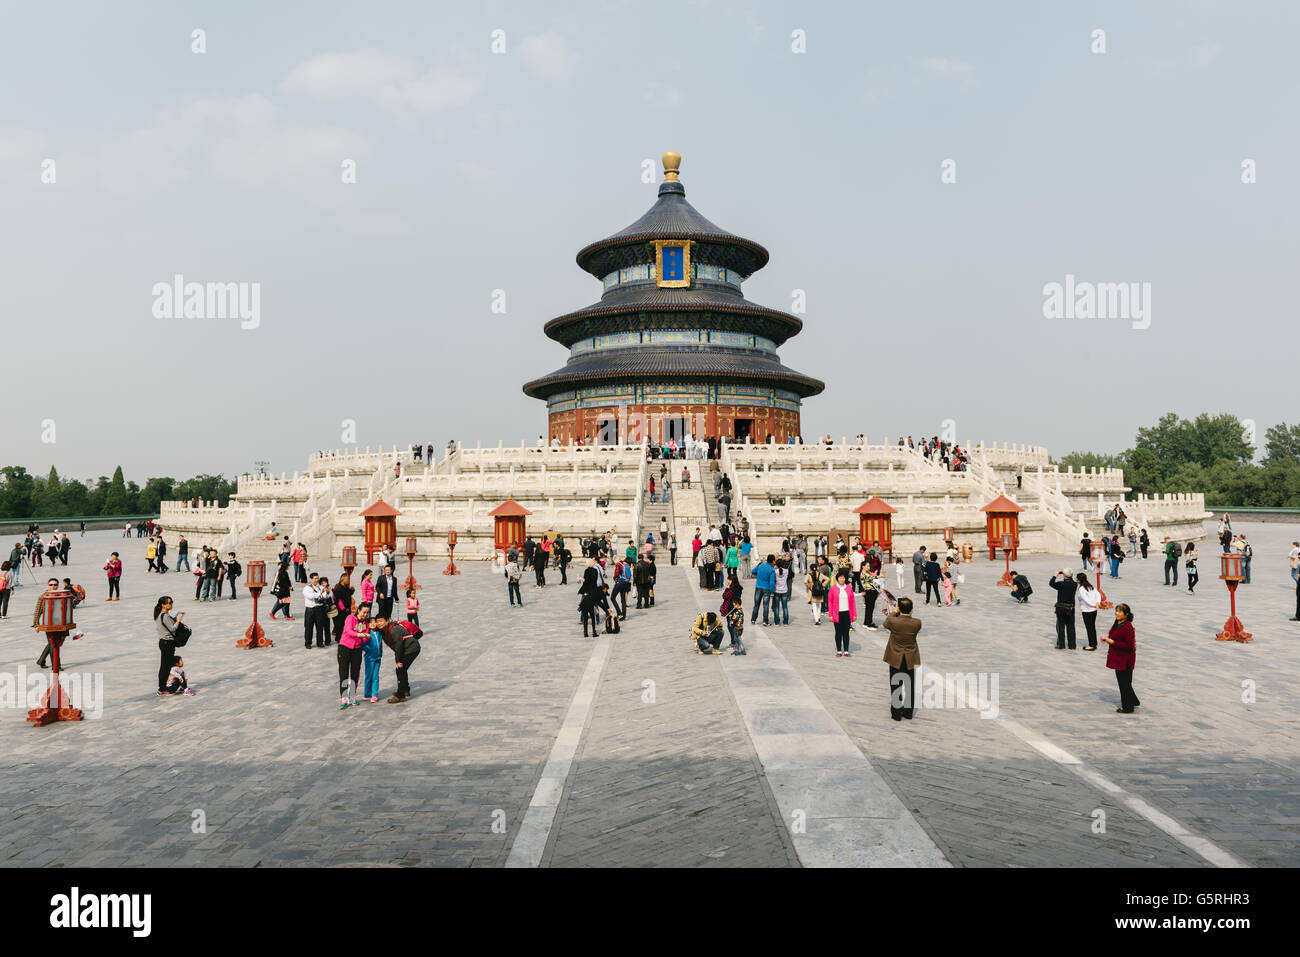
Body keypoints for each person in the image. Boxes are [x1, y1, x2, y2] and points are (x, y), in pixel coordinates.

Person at [883, 597, 920, 720]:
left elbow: (886, 622)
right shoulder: (917, 622)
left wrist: (894, 611)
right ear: (911, 610)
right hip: (910, 656)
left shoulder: (894, 621)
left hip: (895, 656)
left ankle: (896, 713)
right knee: (909, 685)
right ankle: (908, 713)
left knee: (896, 685)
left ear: (899, 608)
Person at [373, 614, 422, 703]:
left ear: (387, 621)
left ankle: (400, 695)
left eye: (381, 621)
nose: (379, 623)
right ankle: (405, 689)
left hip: (412, 648)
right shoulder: (384, 630)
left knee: (400, 669)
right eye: (377, 621)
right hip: (407, 649)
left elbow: (398, 646)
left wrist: (398, 661)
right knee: (402, 669)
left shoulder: (393, 630)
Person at [1100, 603, 1139, 713]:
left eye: (1119, 611)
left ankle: (1128, 708)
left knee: (1124, 684)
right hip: (1118, 657)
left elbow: (1129, 646)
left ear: (1126, 615)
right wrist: (1108, 639)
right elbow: (1114, 635)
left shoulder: (1128, 627)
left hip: (1125, 659)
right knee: (1125, 682)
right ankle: (1134, 701)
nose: (1116, 613)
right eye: (1116, 610)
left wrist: (1112, 642)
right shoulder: (1117, 622)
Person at [338, 602, 369, 708]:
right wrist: (358, 634)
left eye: (367, 613)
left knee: (355, 673)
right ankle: (343, 697)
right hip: (345, 647)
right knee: (344, 673)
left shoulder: (365, 622)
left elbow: (365, 635)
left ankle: (352, 695)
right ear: (358, 610)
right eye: (364, 612)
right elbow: (348, 631)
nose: (365, 614)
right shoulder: (350, 618)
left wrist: (366, 637)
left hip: (357, 649)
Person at [153, 595, 183, 695]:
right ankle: (162, 688)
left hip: (164, 642)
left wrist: (175, 619)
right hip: (167, 642)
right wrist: (178, 620)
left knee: (166, 665)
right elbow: (173, 629)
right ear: (163, 605)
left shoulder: (162, 614)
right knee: (165, 666)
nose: (171, 604)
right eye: (169, 603)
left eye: (171, 602)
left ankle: (164, 686)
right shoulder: (164, 615)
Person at [828, 571, 856, 657]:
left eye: (843, 578)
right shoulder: (833, 588)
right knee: (838, 632)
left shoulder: (849, 588)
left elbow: (852, 602)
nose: (842, 579)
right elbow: (830, 602)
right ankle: (839, 650)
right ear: (837, 578)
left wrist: (854, 614)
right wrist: (831, 615)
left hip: (847, 613)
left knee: (846, 632)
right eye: (840, 577)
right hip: (837, 613)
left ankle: (846, 650)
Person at [1049, 568, 1078, 650]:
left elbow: (1051, 583)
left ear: (1064, 575)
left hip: (1061, 607)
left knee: (1061, 626)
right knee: (1071, 627)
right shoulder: (1074, 584)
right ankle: (1072, 645)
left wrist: (1055, 575)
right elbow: (1070, 580)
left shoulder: (1060, 584)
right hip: (1071, 607)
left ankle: (1061, 644)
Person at [360, 605, 383, 702]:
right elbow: (362, 643)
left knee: (375, 677)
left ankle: (374, 695)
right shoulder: (367, 634)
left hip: (378, 658)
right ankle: (367, 693)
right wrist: (367, 649)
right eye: (371, 623)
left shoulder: (379, 633)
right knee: (368, 676)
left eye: (375, 623)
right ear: (368, 624)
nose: (373, 624)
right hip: (369, 658)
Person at [720, 573, 747, 654]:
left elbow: (724, 596)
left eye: (729, 580)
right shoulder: (738, 588)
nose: (728, 581)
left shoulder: (733, 589)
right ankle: (734, 643)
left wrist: (727, 589)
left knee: (731, 626)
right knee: (731, 626)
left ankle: (734, 643)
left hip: (731, 610)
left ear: (733, 581)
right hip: (733, 609)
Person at [1075, 573, 1100, 650]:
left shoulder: (1082, 589)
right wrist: (1097, 603)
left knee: (1089, 628)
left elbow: (1086, 599)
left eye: (1077, 579)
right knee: (1092, 627)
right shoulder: (1090, 586)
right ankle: (1094, 642)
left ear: (1079, 580)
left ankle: (1092, 645)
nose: (1076, 580)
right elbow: (1098, 594)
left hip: (1087, 611)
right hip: (1094, 610)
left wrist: (1094, 604)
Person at [578, 563, 602, 637]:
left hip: (587, 592)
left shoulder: (587, 571)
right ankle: (594, 631)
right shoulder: (595, 570)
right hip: (593, 591)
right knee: (592, 614)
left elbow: (587, 582)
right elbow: (593, 581)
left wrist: (581, 579)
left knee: (585, 615)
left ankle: (585, 633)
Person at [751, 554, 775, 624]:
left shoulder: (760, 565)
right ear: (773, 561)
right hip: (766, 589)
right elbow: (772, 583)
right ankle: (765, 621)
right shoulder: (771, 570)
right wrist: (772, 592)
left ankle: (753, 619)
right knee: (766, 605)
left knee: (756, 604)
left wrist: (758, 575)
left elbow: (753, 571)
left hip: (758, 587)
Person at [805, 558, 829, 624]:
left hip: (812, 592)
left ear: (810, 569)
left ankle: (816, 620)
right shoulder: (820, 574)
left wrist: (809, 586)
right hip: (820, 591)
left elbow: (805, 581)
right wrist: (823, 585)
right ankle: (818, 618)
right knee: (819, 605)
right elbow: (827, 579)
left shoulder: (809, 575)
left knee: (814, 606)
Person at [332, 574, 354, 641]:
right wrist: (344, 608)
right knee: (340, 624)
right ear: (343, 580)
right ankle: (339, 638)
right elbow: (338, 600)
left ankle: (345, 636)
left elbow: (348, 594)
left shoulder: (345, 587)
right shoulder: (339, 588)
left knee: (346, 623)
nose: (348, 581)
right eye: (347, 579)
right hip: (342, 610)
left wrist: (352, 590)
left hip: (347, 608)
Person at [771, 557, 791, 626]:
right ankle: (785, 622)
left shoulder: (775, 571)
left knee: (776, 607)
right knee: (785, 607)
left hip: (776, 590)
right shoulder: (786, 571)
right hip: (784, 590)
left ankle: (777, 622)